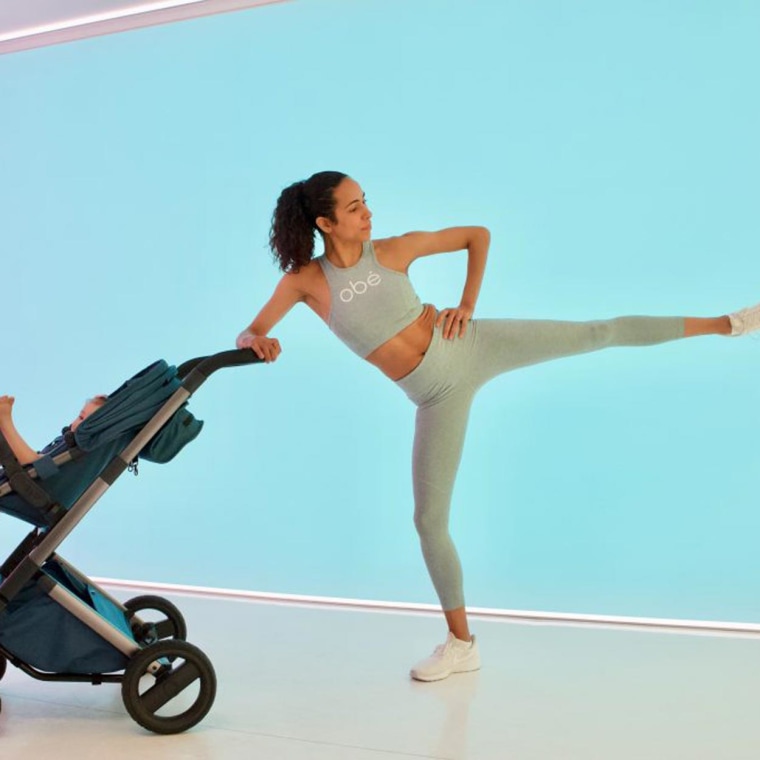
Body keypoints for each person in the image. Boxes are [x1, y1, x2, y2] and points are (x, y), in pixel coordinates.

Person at [235, 170, 760, 682]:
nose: (368, 212)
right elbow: (253, 329)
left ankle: (729, 324)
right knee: (428, 521)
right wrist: (258, 341)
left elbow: (475, 236)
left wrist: (466, 305)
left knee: (597, 332)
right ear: (325, 224)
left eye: (365, 200)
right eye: (355, 207)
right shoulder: (305, 282)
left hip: (472, 346)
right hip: (436, 398)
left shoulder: (391, 250)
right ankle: (462, 645)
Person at [0, 394, 107, 466]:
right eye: (80, 417)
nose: (78, 425)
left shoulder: (77, 454)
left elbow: (36, 465)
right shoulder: (64, 443)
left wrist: (5, 421)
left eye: (82, 419)